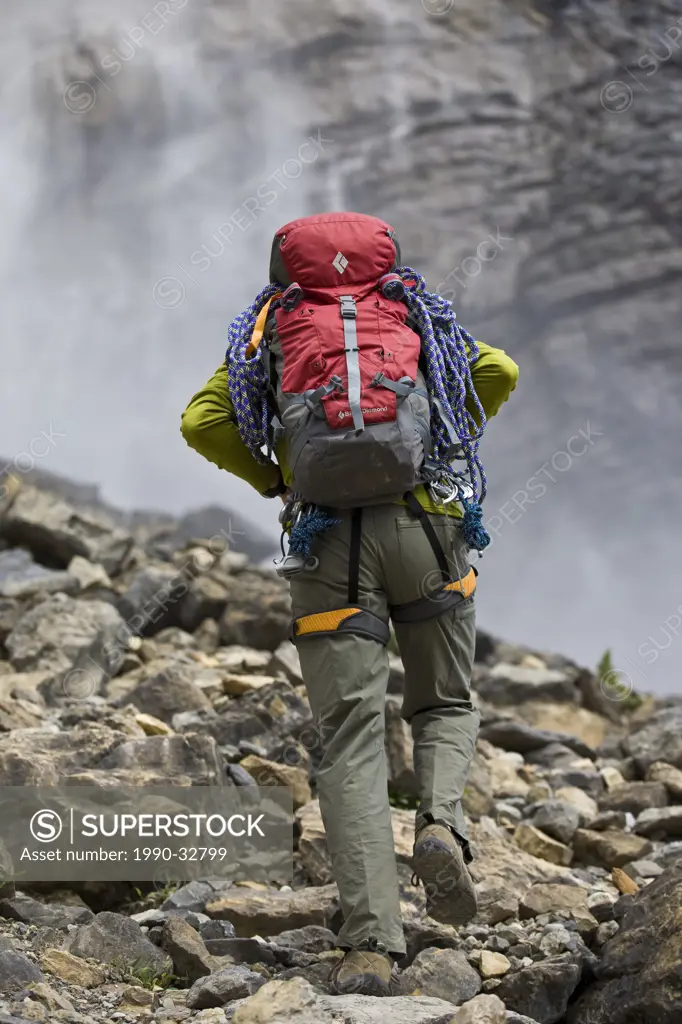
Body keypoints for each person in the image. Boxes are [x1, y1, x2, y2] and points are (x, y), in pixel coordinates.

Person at [181, 212, 519, 997]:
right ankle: (441, 825)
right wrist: (437, 440)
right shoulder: (412, 312)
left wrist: (280, 478)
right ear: (383, 257)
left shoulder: (271, 324)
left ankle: (371, 943)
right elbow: (497, 372)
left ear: (285, 264)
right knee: (442, 702)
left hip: (328, 544)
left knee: (350, 737)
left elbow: (202, 421)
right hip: (427, 529)